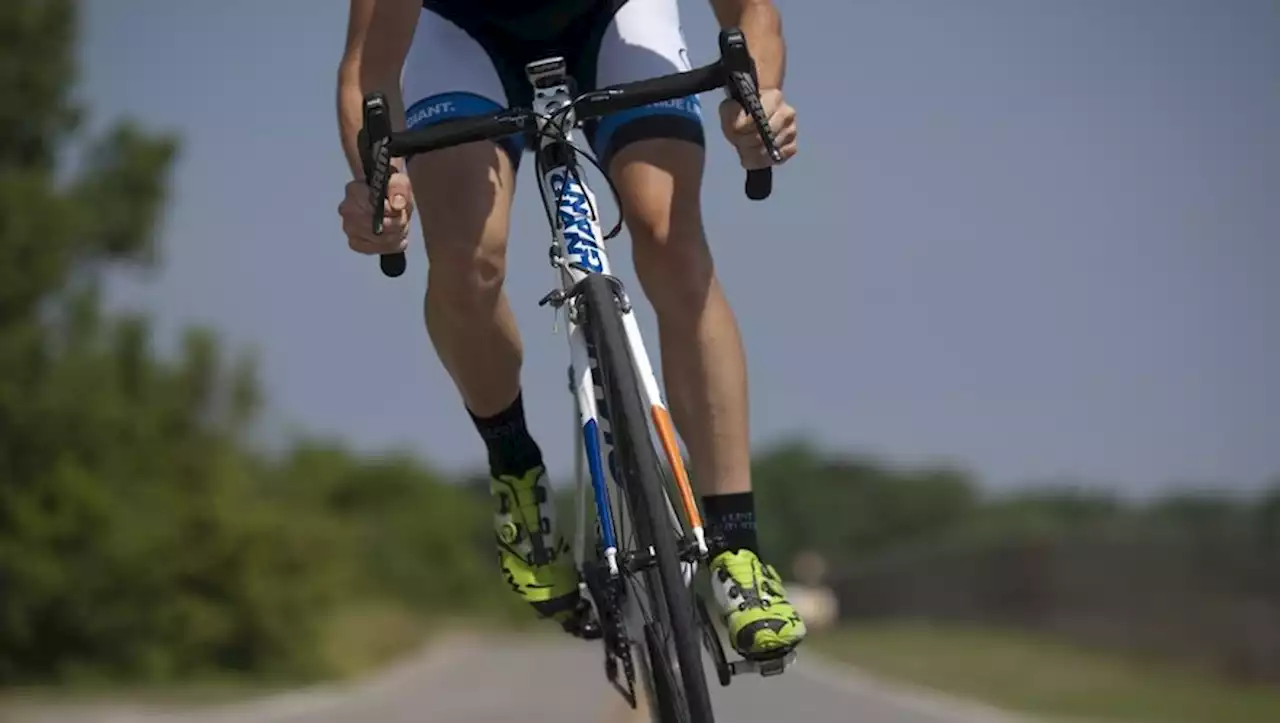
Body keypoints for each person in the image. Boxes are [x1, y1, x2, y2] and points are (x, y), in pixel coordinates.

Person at [336, 0, 806, 660]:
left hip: (618, 16)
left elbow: (752, 12)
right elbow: (368, 69)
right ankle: (515, 469)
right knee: (469, 261)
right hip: (464, 32)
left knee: (670, 235)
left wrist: (756, 99)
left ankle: (738, 548)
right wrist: (374, 185)